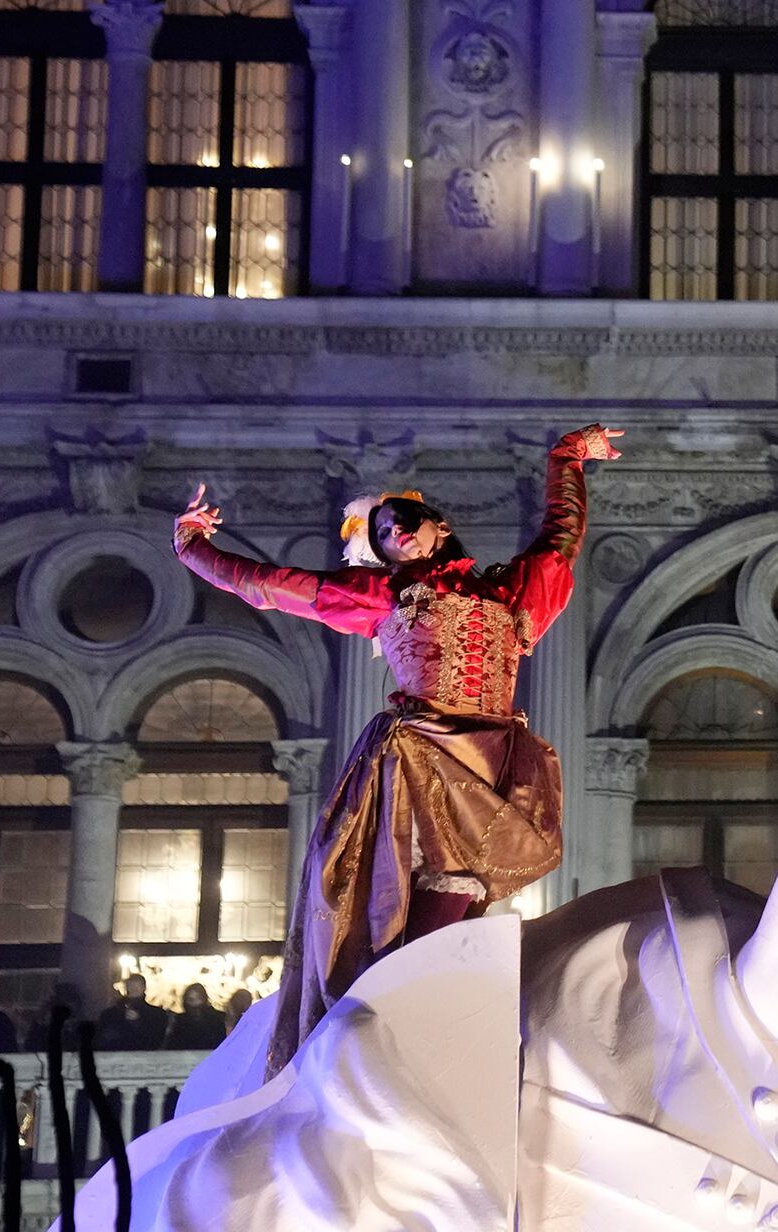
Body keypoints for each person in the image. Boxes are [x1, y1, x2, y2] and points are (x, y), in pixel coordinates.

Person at [173, 423, 622, 1074]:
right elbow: (272, 584)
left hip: (493, 753)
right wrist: (194, 548)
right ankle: (404, 1022)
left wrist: (567, 458)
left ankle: (432, 1020)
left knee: (465, 890)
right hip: (422, 754)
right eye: (381, 533)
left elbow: (561, 536)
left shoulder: (508, 591)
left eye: (404, 520)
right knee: (427, 890)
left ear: (439, 526)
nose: (394, 533)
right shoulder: (384, 596)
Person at [94, 974, 172, 1051]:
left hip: (144, 1060)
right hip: (115, 1058)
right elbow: (100, 1040)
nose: (134, 989)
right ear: (126, 988)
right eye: (131, 986)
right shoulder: (110, 1014)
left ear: (144, 988)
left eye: (137, 986)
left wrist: (138, 1023)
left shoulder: (157, 1014)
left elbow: (155, 1041)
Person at [166, 982, 227, 1050]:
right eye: (190, 1000)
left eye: (199, 998)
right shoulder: (179, 1021)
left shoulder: (218, 1019)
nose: (195, 1004)